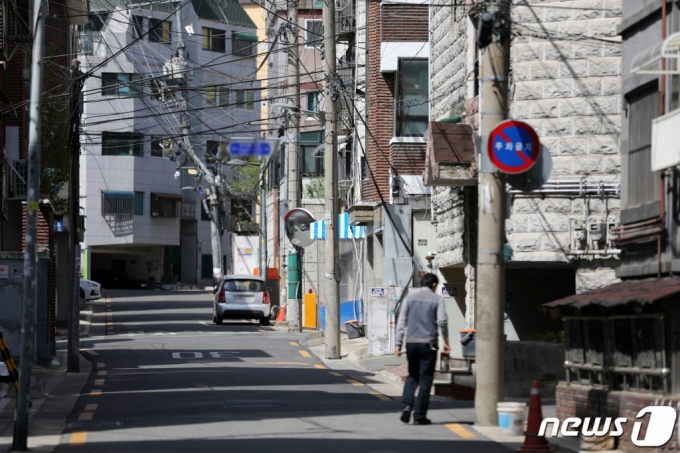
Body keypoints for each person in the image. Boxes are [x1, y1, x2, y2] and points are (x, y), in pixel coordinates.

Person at [395, 273, 450, 425]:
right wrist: (446, 341)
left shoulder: (409, 299)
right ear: (433, 284)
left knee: (412, 375)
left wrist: (398, 345)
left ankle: (407, 405)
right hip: (429, 344)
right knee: (425, 379)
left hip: (411, 343)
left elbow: (401, 323)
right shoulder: (437, 299)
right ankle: (419, 416)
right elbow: (442, 321)